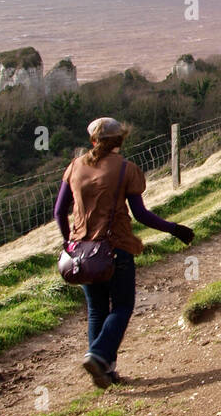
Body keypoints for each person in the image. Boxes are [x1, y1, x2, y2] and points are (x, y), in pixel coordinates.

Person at [55, 117, 194, 389]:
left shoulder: (74, 167)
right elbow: (141, 214)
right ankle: (98, 356)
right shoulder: (126, 169)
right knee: (121, 306)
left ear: (93, 140)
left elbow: (59, 211)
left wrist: (68, 245)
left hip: (82, 253)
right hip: (116, 248)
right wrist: (173, 229)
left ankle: (105, 371)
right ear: (121, 140)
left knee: (96, 310)